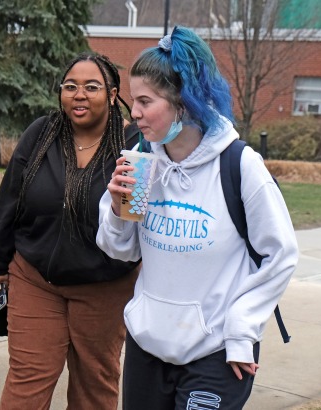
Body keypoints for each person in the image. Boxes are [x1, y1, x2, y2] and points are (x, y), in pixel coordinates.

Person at [96, 26, 299, 409]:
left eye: (145, 101)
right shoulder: (142, 158)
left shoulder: (239, 165)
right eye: (133, 100)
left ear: (183, 102)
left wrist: (243, 329)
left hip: (216, 352)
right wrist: (118, 208)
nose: (133, 111)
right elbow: (120, 251)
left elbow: (281, 254)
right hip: (148, 344)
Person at [0, 52, 141, 409]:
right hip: (35, 279)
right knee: (28, 379)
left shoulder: (133, 145)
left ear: (113, 95)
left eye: (91, 87)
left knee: (94, 386)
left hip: (105, 287)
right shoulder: (42, 132)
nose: (79, 95)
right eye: (70, 86)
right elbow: (10, 199)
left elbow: (138, 219)